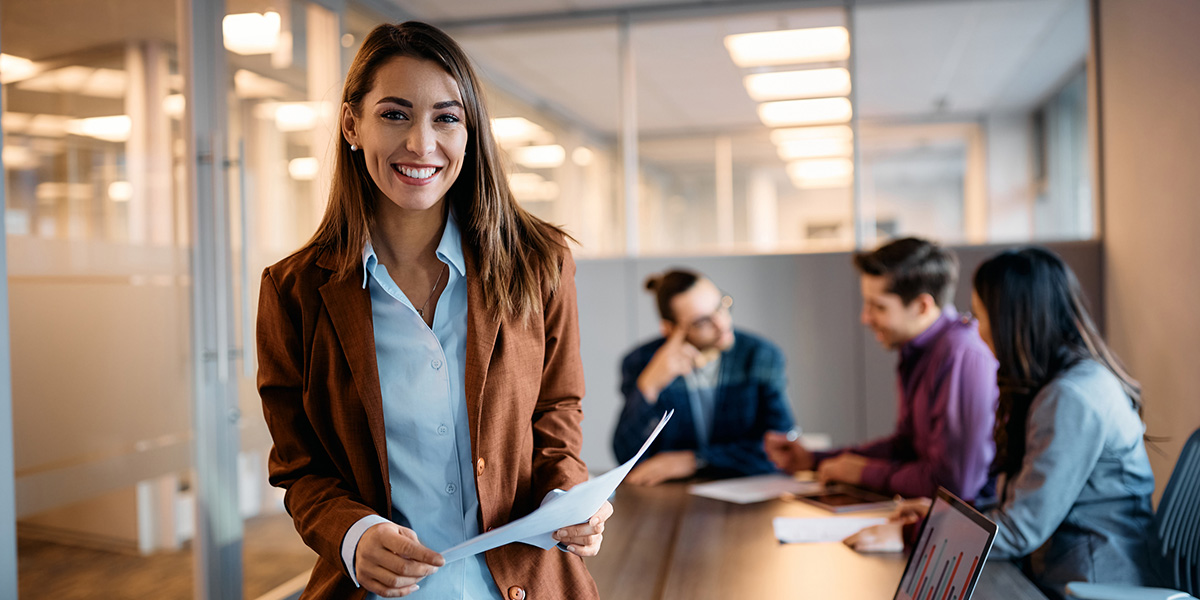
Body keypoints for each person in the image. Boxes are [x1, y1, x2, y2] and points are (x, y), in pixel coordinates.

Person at [256, 22, 608, 600]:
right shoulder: (293, 291)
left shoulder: (539, 263)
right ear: (352, 124)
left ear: (470, 133)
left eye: (446, 117)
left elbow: (556, 412)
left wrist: (568, 498)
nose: (421, 143)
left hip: (527, 583)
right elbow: (300, 467)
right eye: (395, 114)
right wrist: (353, 533)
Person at [846, 247, 1162, 599]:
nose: (976, 331)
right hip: (1059, 572)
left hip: (1087, 585)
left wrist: (916, 533)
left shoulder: (1072, 397)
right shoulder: (1063, 383)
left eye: (981, 317)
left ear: (1013, 320)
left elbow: (1021, 529)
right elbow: (1026, 504)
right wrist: (944, 517)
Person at [764, 237, 997, 501]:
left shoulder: (962, 356)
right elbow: (905, 447)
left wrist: (864, 473)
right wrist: (814, 459)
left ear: (922, 306)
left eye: (879, 307)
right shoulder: (918, 350)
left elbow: (955, 484)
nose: (865, 318)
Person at [612, 269, 795, 485]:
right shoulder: (641, 361)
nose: (722, 323)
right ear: (670, 329)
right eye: (702, 321)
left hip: (746, 491)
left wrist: (695, 460)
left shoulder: (760, 356)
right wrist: (649, 386)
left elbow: (782, 450)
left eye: (720, 306)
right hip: (671, 497)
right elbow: (625, 455)